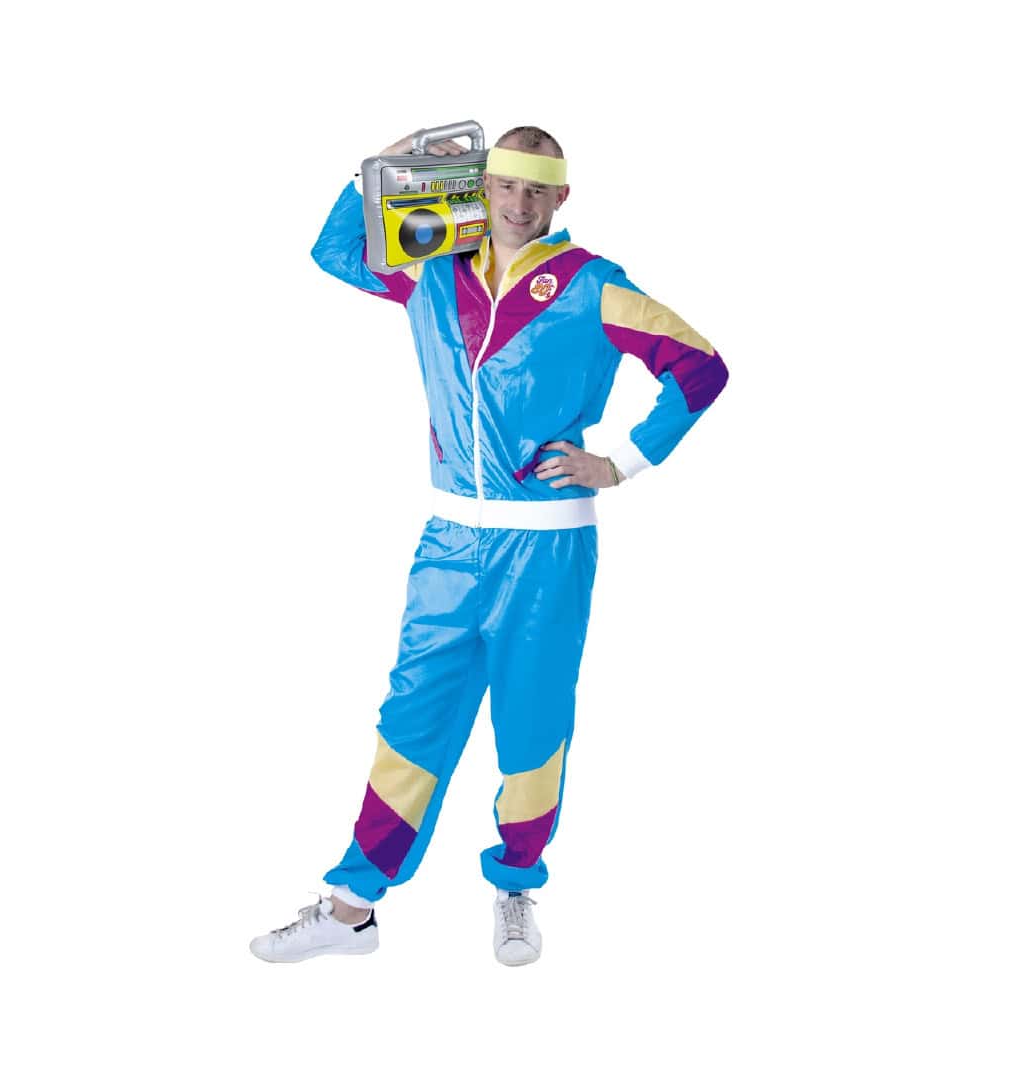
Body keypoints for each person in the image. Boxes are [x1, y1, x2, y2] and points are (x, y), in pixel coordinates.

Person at [249, 125, 729, 966]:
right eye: (505, 184)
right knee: (411, 717)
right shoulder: (431, 269)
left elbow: (701, 367)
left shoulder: (593, 285)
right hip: (449, 541)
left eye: (536, 189)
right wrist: (387, 167)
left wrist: (618, 463)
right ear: (483, 186)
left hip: (548, 550)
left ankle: (515, 885)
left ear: (561, 197)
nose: (518, 203)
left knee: (532, 723)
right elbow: (334, 250)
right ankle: (353, 907)